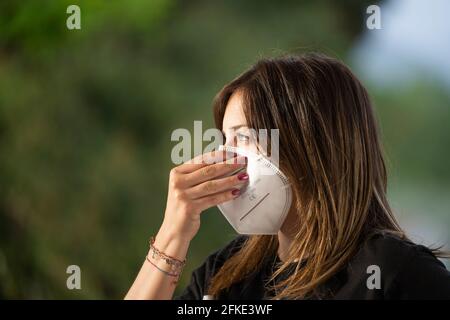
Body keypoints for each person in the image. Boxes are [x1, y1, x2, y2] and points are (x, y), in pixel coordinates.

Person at [125, 54, 450, 300]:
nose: (225, 158)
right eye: (225, 141)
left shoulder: (394, 273)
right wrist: (173, 233)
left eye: (244, 139)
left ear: (311, 145)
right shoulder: (228, 273)